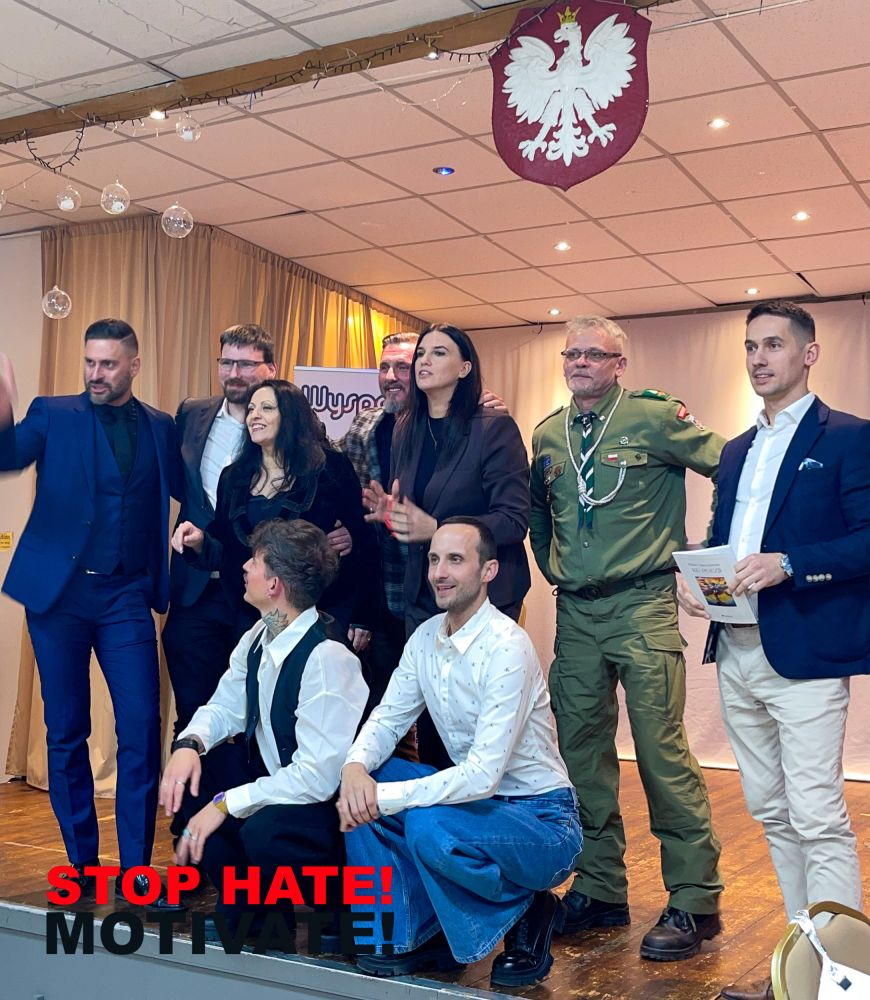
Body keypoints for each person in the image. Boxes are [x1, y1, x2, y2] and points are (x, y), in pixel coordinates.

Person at [678, 301, 869, 1000]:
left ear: (809, 354)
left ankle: (847, 981)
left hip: (807, 652)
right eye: (751, 346)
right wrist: (702, 579)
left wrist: (791, 563)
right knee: (774, 814)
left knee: (817, 816)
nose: (759, 358)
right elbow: (727, 540)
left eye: (774, 345)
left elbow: (866, 539)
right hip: (736, 649)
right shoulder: (735, 450)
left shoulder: (849, 437)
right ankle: (800, 973)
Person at [529, 315, 725, 961]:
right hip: (577, 613)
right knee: (582, 756)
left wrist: (707, 553)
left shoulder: (654, 417)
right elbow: (539, 515)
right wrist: (556, 568)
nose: (580, 362)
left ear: (619, 365)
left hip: (642, 604)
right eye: (572, 354)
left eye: (594, 354)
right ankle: (600, 887)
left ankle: (695, 898)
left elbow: (728, 465)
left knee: (661, 753)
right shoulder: (549, 433)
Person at [338, 518, 581, 988]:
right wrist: (354, 767)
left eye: (455, 560)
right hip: (478, 809)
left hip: (543, 821)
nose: (439, 573)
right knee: (365, 782)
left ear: (489, 571)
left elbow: (481, 776)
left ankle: (529, 907)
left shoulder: (507, 646)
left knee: (425, 824)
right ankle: (405, 934)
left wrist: (378, 798)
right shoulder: (425, 637)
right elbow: (388, 718)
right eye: (433, 559)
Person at [0, 320, 183, 905]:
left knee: (141, 728)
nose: (95, 374)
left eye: (107, 364)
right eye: (89, 362)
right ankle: (81, 864)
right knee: (66, 732)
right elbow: (6, 456)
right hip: (60, 597)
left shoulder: (160, 426)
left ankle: (136, 870)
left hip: (126, 594)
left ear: (134, 365)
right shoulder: (52, 413)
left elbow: (194, 491)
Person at [161, 519, 368, 944]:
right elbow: (225, 705)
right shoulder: (260, 633)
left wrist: (226, 804)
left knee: (264, 828)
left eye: (254, 561)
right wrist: (188, 745)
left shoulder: (328, 656)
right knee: (198, 777)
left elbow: (316, 779)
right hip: (283, 788)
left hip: (329, 816)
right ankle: (256, 915)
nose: (244, 567)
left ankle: (339, 908)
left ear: (275, 584)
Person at [164, 323, 351, 736]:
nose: (235, 373)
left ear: (271, 369)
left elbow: (347, 530)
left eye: (246, 364)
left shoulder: (320, 460)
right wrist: (198, 541)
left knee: (267, 714)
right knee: (198, 710)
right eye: (227, 362)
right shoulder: (198, 424)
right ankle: (195, 771)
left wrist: (347, 545)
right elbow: (199, 508)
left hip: (277, 604)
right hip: (204, 591)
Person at [172, 378, 377, 648]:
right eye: (251, 409)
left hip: (320, 616)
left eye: (267, 408)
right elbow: (224, 551)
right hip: (251, 618)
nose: (254, 416)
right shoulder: (233, 477)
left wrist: (363, 616)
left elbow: (362, 542)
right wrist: (198, 542)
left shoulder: (330, 469)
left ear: (290, 416)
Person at [364, 323, 530, 636]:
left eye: (439, 353)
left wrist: (437, 528)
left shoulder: (494, 427)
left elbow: (513, 521)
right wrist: (393, 513)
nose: (424, 361)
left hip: (482, 598)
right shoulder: (405, 428)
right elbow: (416, 508)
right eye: (421, 354)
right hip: (422, 595)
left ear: (464, 368)